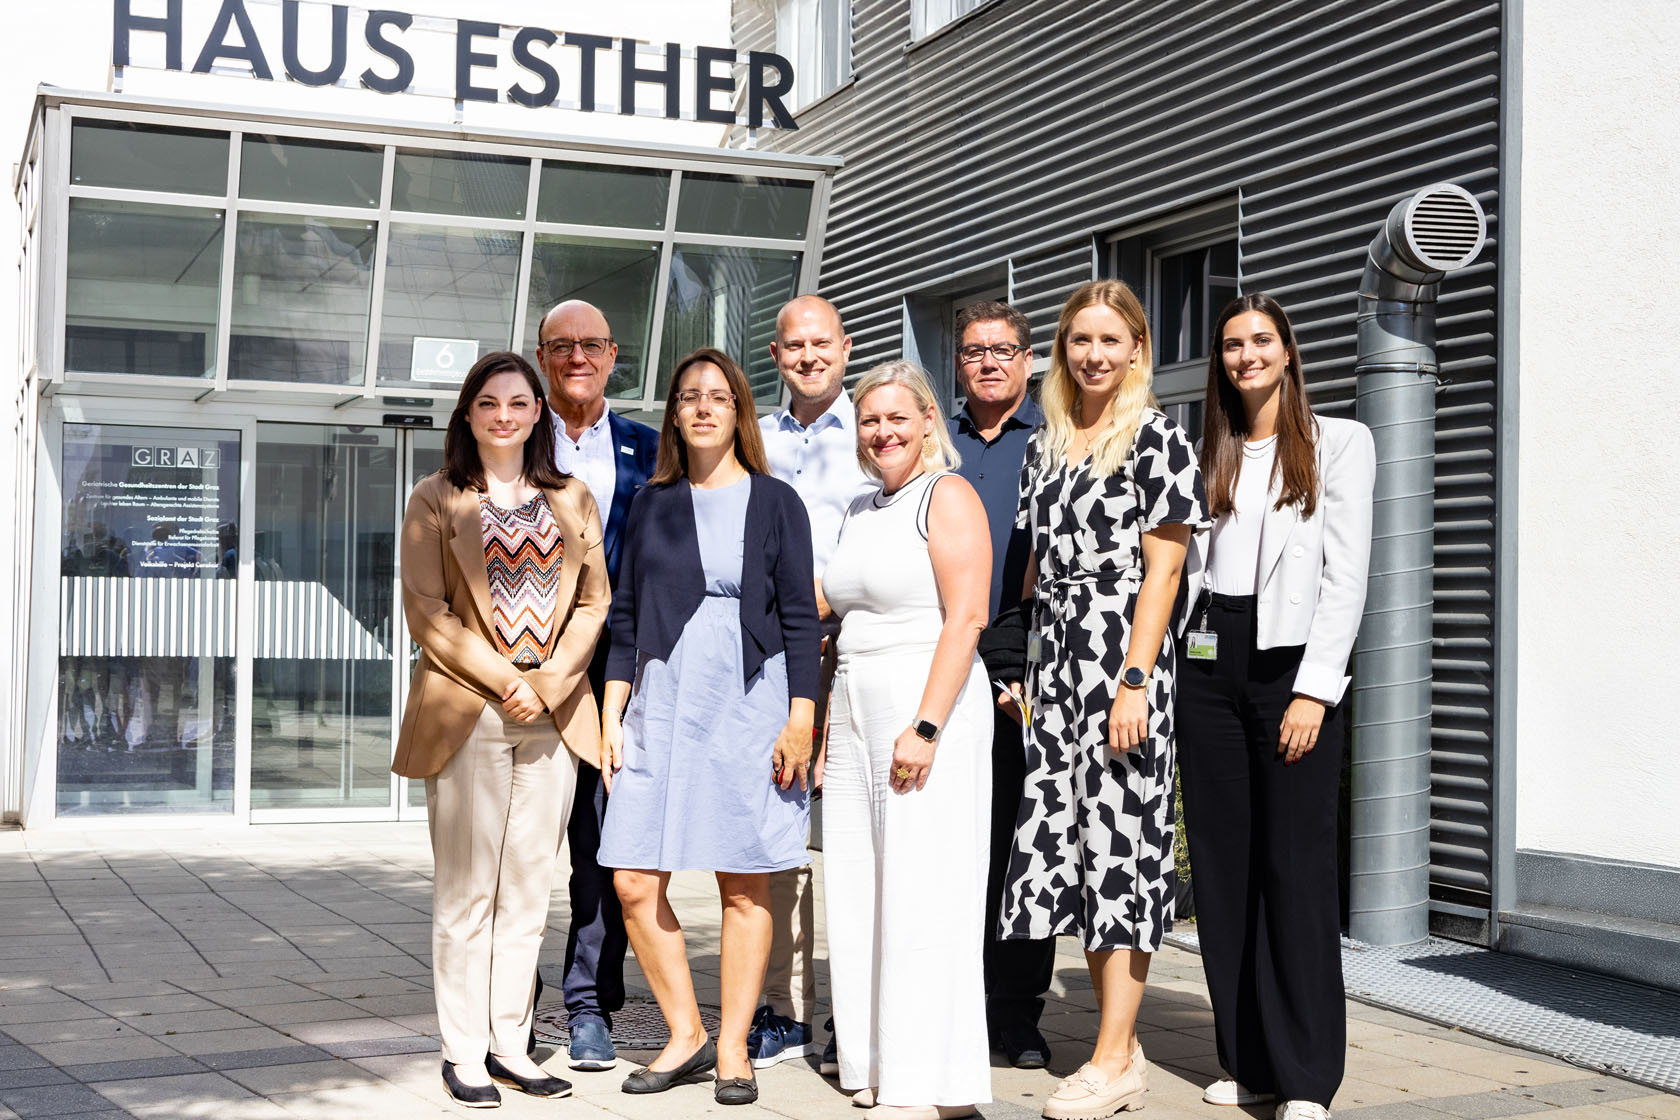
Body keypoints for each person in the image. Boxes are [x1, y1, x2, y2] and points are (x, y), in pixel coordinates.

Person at [998, 280, 1208, 1120]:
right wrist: (1020, 660)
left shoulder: (1157, 439)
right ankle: (1120, 1044)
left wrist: (1133, 678)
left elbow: (1164, 570)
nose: (1093, 354)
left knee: (1121, 857)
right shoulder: (1047, 442)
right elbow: (1031, 564)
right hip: (1056, 672)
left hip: (1121, 668)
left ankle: (1115, 1058)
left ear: (1137, 351)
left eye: (1110, 340)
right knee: (1075, 858)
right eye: (1080, 339)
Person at [597, 347, 821, 1106]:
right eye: (688, 396)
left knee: (743, 879)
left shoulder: (776, 500)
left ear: (738, 411)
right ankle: (685, 1032)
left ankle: (732, 1047)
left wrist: (800, 719)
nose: (701, 407)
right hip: (661, 696)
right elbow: (625, 615)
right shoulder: (652, 501)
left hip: (751, 699)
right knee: (631, 878)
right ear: (673, 413)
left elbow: (798, 619)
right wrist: (611, 715)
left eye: (717, 396)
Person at [393, 351, 611, 1108]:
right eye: (489, 404)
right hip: (472, 710)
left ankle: (511, 1045)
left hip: (551, 715)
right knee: (466, 895)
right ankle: (462, 1051)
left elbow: (593, 603)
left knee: (527, 893)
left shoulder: (572, 497)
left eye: (519, 403)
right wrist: (507, 680)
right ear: (468, 414)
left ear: (537, 414)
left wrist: (549, 682)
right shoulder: (435, 499)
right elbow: (428, 614)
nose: (505, 416)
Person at [1177, 294, 1374, 1120]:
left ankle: (1305, 1077)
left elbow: (1346, 573)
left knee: (1294, 869)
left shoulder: (1341, 443)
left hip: (1291, 664)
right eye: (1231, 344)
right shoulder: (1209, 448)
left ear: (1288, 352)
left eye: (1261, 341)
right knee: (1225, 869)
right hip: (1209, 660)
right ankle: (1246, 1059)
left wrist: (1315, 689)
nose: (1245, 355)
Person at [821, 360, 994, 1120]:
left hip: (927, 703)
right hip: (854, 702)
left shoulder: (946, 495)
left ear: (929, 420)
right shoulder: (861, 505)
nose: (882, 432)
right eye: (869, 421)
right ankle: (873, 1058)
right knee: (859, 889)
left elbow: (967, 617)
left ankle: (929, 1080)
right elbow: (834, 613)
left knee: (924, 893)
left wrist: (925, 725)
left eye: (897, 418)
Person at [536, 299, 660, 1071]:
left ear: (614, 356)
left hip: (619, 676)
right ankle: (505, 1005)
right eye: (561, 346)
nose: (577, 357)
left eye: (592, 344)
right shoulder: (511, 439)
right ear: (543, 356)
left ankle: (590, 1002)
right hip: (524, 674)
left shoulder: (652, 449)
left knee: (601, 845)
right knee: (517, 849)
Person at [753, 294, 873, 1071]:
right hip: (771, 655)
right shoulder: (754, 437)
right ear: (776, 354)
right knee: (777, 834)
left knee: (858, 838)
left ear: (846, 346)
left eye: (821, 343)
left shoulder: (875, 430)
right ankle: (785, 1012)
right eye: (794, 345)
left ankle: (857, 1015)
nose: (808, 356)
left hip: (855, 646)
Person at [944, 299, 1055, 1069]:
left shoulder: (1051, 440)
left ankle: (1015, 1013)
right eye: (976, 351)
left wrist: (1022, 666)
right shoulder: (931, 438)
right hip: (936, 647)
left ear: (1025, 360)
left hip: (1019, 655)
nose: (989, 362)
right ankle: (946, 997)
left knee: (1019, 838)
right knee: (947, 836)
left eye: (1003, 350)